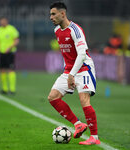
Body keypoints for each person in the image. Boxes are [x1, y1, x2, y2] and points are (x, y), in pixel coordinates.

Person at [48, 2, 100, 145]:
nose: (50, 17)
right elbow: (67, 54)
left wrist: (72, 74)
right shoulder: (57, 30)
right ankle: (78, 124)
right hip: (69, 70)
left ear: (62, 14)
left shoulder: (75, 30)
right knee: (53, 98)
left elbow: (82, 53)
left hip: (83, 68)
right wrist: (68, 72)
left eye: (53, 14)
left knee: (84, 100)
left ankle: (94, 138)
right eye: (50, 14)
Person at [0, 17, 19, 94]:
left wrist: (10, 47)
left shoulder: (12, 29)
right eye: (1, 21)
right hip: (2, 53)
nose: (2, 23)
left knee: (11, 70)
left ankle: (12, 90)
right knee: (2, 70)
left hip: (10, 53)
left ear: (6, 21)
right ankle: (4, 89)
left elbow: (16, 41)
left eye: (3, 21)